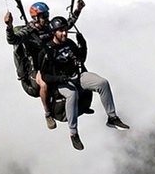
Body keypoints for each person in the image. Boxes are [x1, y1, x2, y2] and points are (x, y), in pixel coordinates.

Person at [38, 15, 129, 151]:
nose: (64, 33)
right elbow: (44, 76)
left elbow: (80, 60)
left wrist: (83, 45)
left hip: (77, 75)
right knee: (72, 95)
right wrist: (59, 79)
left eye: (65, 30)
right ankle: (73, 133)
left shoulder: (69, 43)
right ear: (54, 32)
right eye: (60, 31)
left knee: (102, 83)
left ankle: (112, 117)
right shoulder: (48, 50)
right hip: (62, 82)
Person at [5, 0, 85, 129]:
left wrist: (78, 10)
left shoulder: (49, 27)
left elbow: (67, 25)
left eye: (47, 15)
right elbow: (12, 40)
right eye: (43, 16)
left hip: (52, 62)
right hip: (38, 68)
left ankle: (80, 103)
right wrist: (9, 26)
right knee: (44, 84)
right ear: (35, 17)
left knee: (76, 69)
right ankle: (48, 114)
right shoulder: (28, 32)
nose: (47, 19)